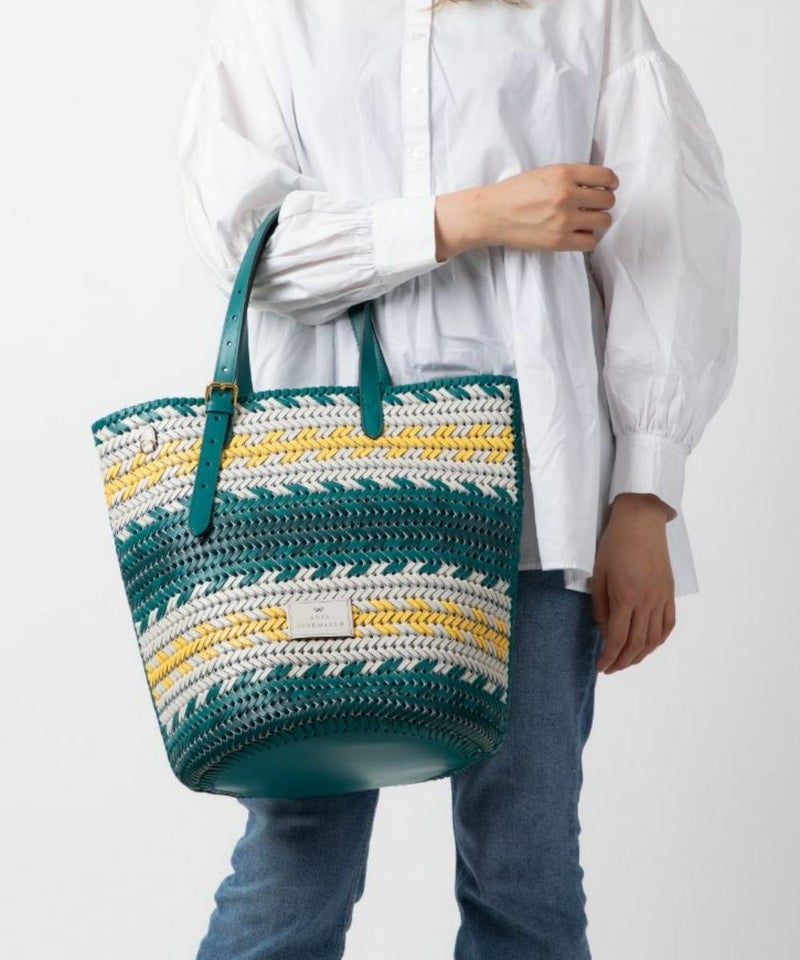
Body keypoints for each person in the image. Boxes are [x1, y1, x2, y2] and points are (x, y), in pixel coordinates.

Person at [177, 0, 741, 956]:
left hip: (537, 493)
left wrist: (646, 494)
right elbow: (252, 247)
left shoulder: (586, 13)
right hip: (325, 506)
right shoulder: (273, 17)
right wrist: (468, 217)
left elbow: (669, 248)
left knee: (526, 859)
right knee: (296, 848)